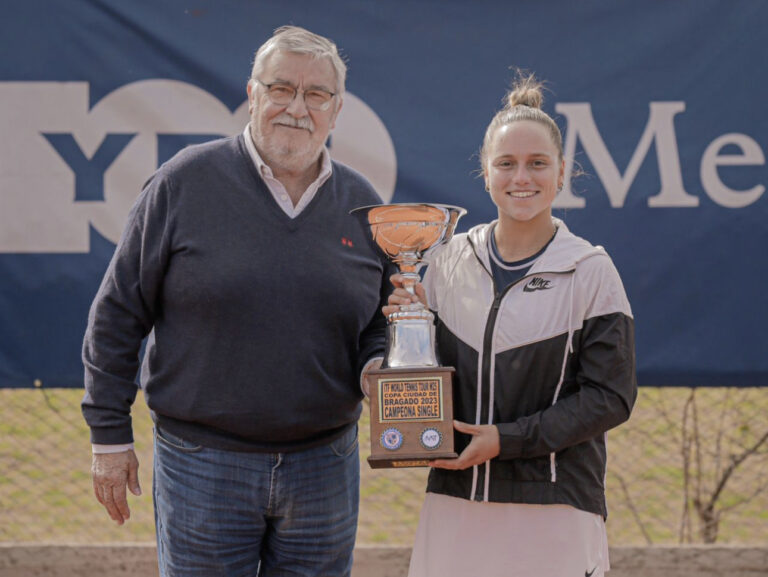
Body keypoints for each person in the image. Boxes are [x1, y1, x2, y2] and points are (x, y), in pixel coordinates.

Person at [82, 25, 392, 577]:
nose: (297, 107)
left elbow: (379, 323)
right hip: (203, 466)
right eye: (281, 89)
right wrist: (109, 436)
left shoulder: (363, 205)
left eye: (316, 94)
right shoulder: (183, 183)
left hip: (325, 466)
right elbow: (118, 314)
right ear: (253, 96)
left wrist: (379, 367)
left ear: (336, 111)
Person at [384, 72, 637, 577]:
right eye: (507, 164)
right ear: (485, 173)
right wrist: (408, 325)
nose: (522, 177)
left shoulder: (590, 270)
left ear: (561, 172)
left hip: (557, 510)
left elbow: (611, 397)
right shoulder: (448, 260)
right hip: (456, 502)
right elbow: (425, 379)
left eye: (537, 164)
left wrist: (507, 439)